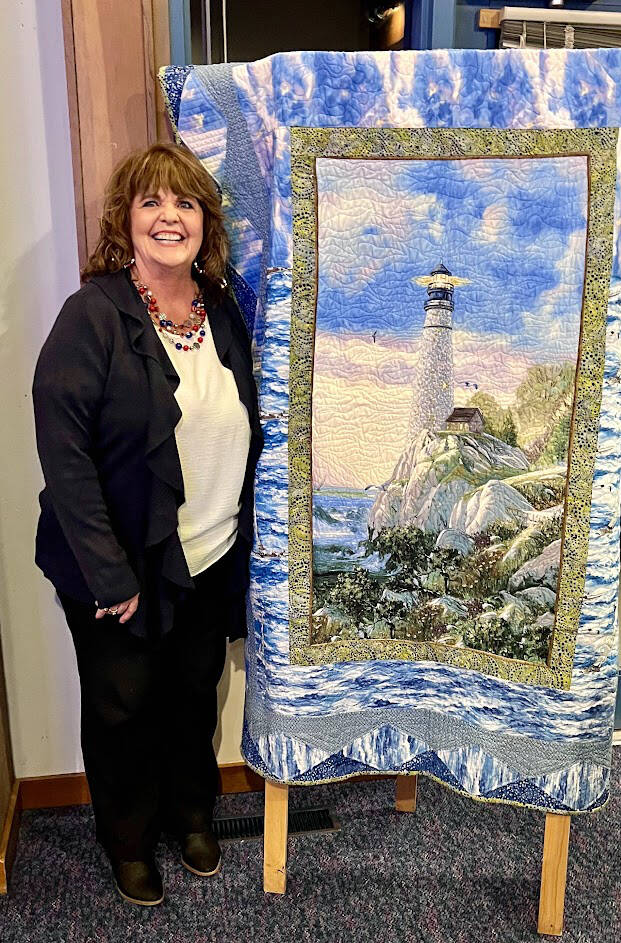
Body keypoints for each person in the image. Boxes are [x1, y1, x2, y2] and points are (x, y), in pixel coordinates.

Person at [32, 144, 263, 906]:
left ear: (205, 223)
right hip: (119, 566)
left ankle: (190, 813)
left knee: (194, 694)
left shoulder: (220, 312)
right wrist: (109, 575)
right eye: (152, 202)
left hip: (208, 556)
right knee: (123, 705)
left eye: (185, 203)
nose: (170, 217)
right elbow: (64, 453)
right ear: (125, 220)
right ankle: (128, 839)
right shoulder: (92, 314)